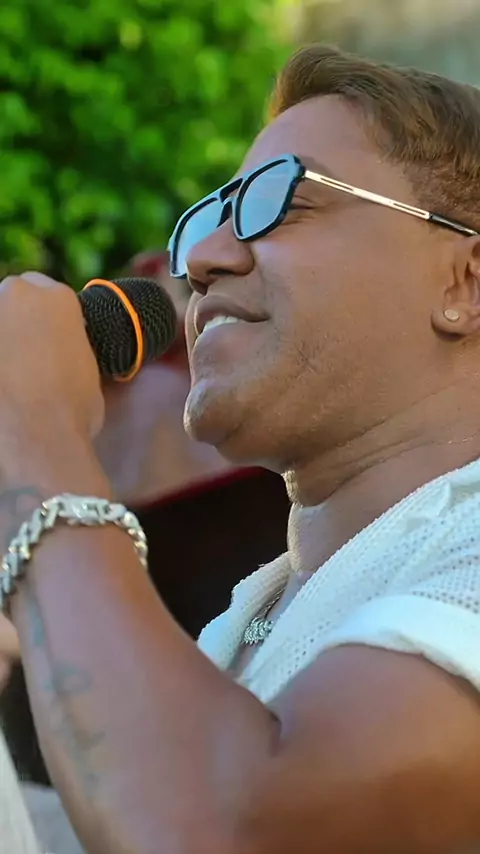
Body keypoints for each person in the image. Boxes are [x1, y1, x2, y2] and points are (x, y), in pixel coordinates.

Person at [2, 41, 480, 853]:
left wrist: (35, 439)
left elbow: (221, 827)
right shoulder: (238, 627)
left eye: (278, 200)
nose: (203, 260)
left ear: (463, 283)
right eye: (206, 221)